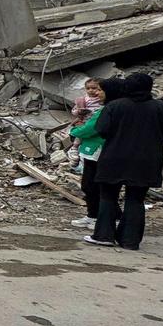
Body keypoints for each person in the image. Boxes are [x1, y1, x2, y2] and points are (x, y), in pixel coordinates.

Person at [88, 73, 163, 249]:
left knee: (108, 196)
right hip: (146, 159)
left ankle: (104, 235)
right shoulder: (161, 108)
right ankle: (130, 241)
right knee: (136, 199)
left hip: (114, 156)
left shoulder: (115, 106)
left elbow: (102, 130)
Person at [67, 77, 126, 229]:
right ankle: (93, 215)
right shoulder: (109, 108)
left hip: (97, 150)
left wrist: (74, 131)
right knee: (91, 185)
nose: (97, 93)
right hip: (94, 150)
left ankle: (108, 217)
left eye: (100, 90)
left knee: (93, 186)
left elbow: (92, 128)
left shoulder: (109, 109)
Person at [68, 79, 104, 162]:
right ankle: (74, 147)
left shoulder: (101, 99)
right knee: (81, 134)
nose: (91, 90)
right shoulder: (83, 100)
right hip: (84, 120)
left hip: (96, 121)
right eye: (88, 88)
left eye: (94, 88)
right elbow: (74, 111)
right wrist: (79, 112)